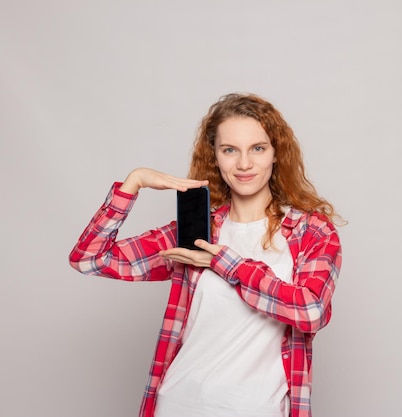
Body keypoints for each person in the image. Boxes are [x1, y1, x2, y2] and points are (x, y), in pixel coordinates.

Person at [68, 93, 342, 417]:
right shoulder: (194, 233)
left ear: (275, 153)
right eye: (230, 150)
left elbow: (310, 312)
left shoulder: (310, 232)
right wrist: (133, 184)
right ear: (215, 156)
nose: (244, 163)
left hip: (257, 409)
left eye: (257, 148)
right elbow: (90, 258)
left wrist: (223, 263)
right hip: (179, 404)